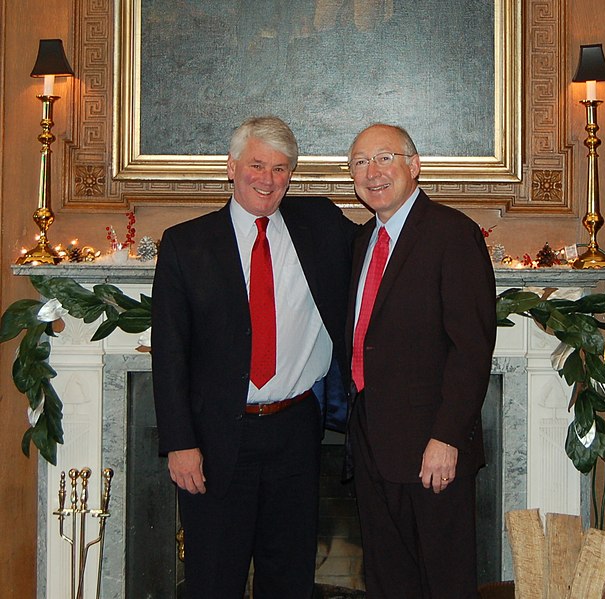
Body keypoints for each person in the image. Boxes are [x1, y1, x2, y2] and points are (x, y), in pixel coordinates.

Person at [151, 116, 356, 599]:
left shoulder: (321, 225)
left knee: (288, 576)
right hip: (216, 438)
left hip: (295, 431)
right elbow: (170, 354)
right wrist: (179, 443)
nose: (267, 179)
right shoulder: (186, 243)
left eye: (281, 169)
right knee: (213, 578)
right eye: (257, 165)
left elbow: (381, 249)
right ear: (231, 167)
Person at [345, 123, 497, 598]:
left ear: (414, 165)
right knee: (389, 581)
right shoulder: (364, 241)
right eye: (359, 162)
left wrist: (447, 437)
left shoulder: (453, 234)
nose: (372, 172)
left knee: (444, 582)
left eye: (384, 158)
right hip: (372, 444)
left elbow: (471, 349)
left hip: (433, 451)